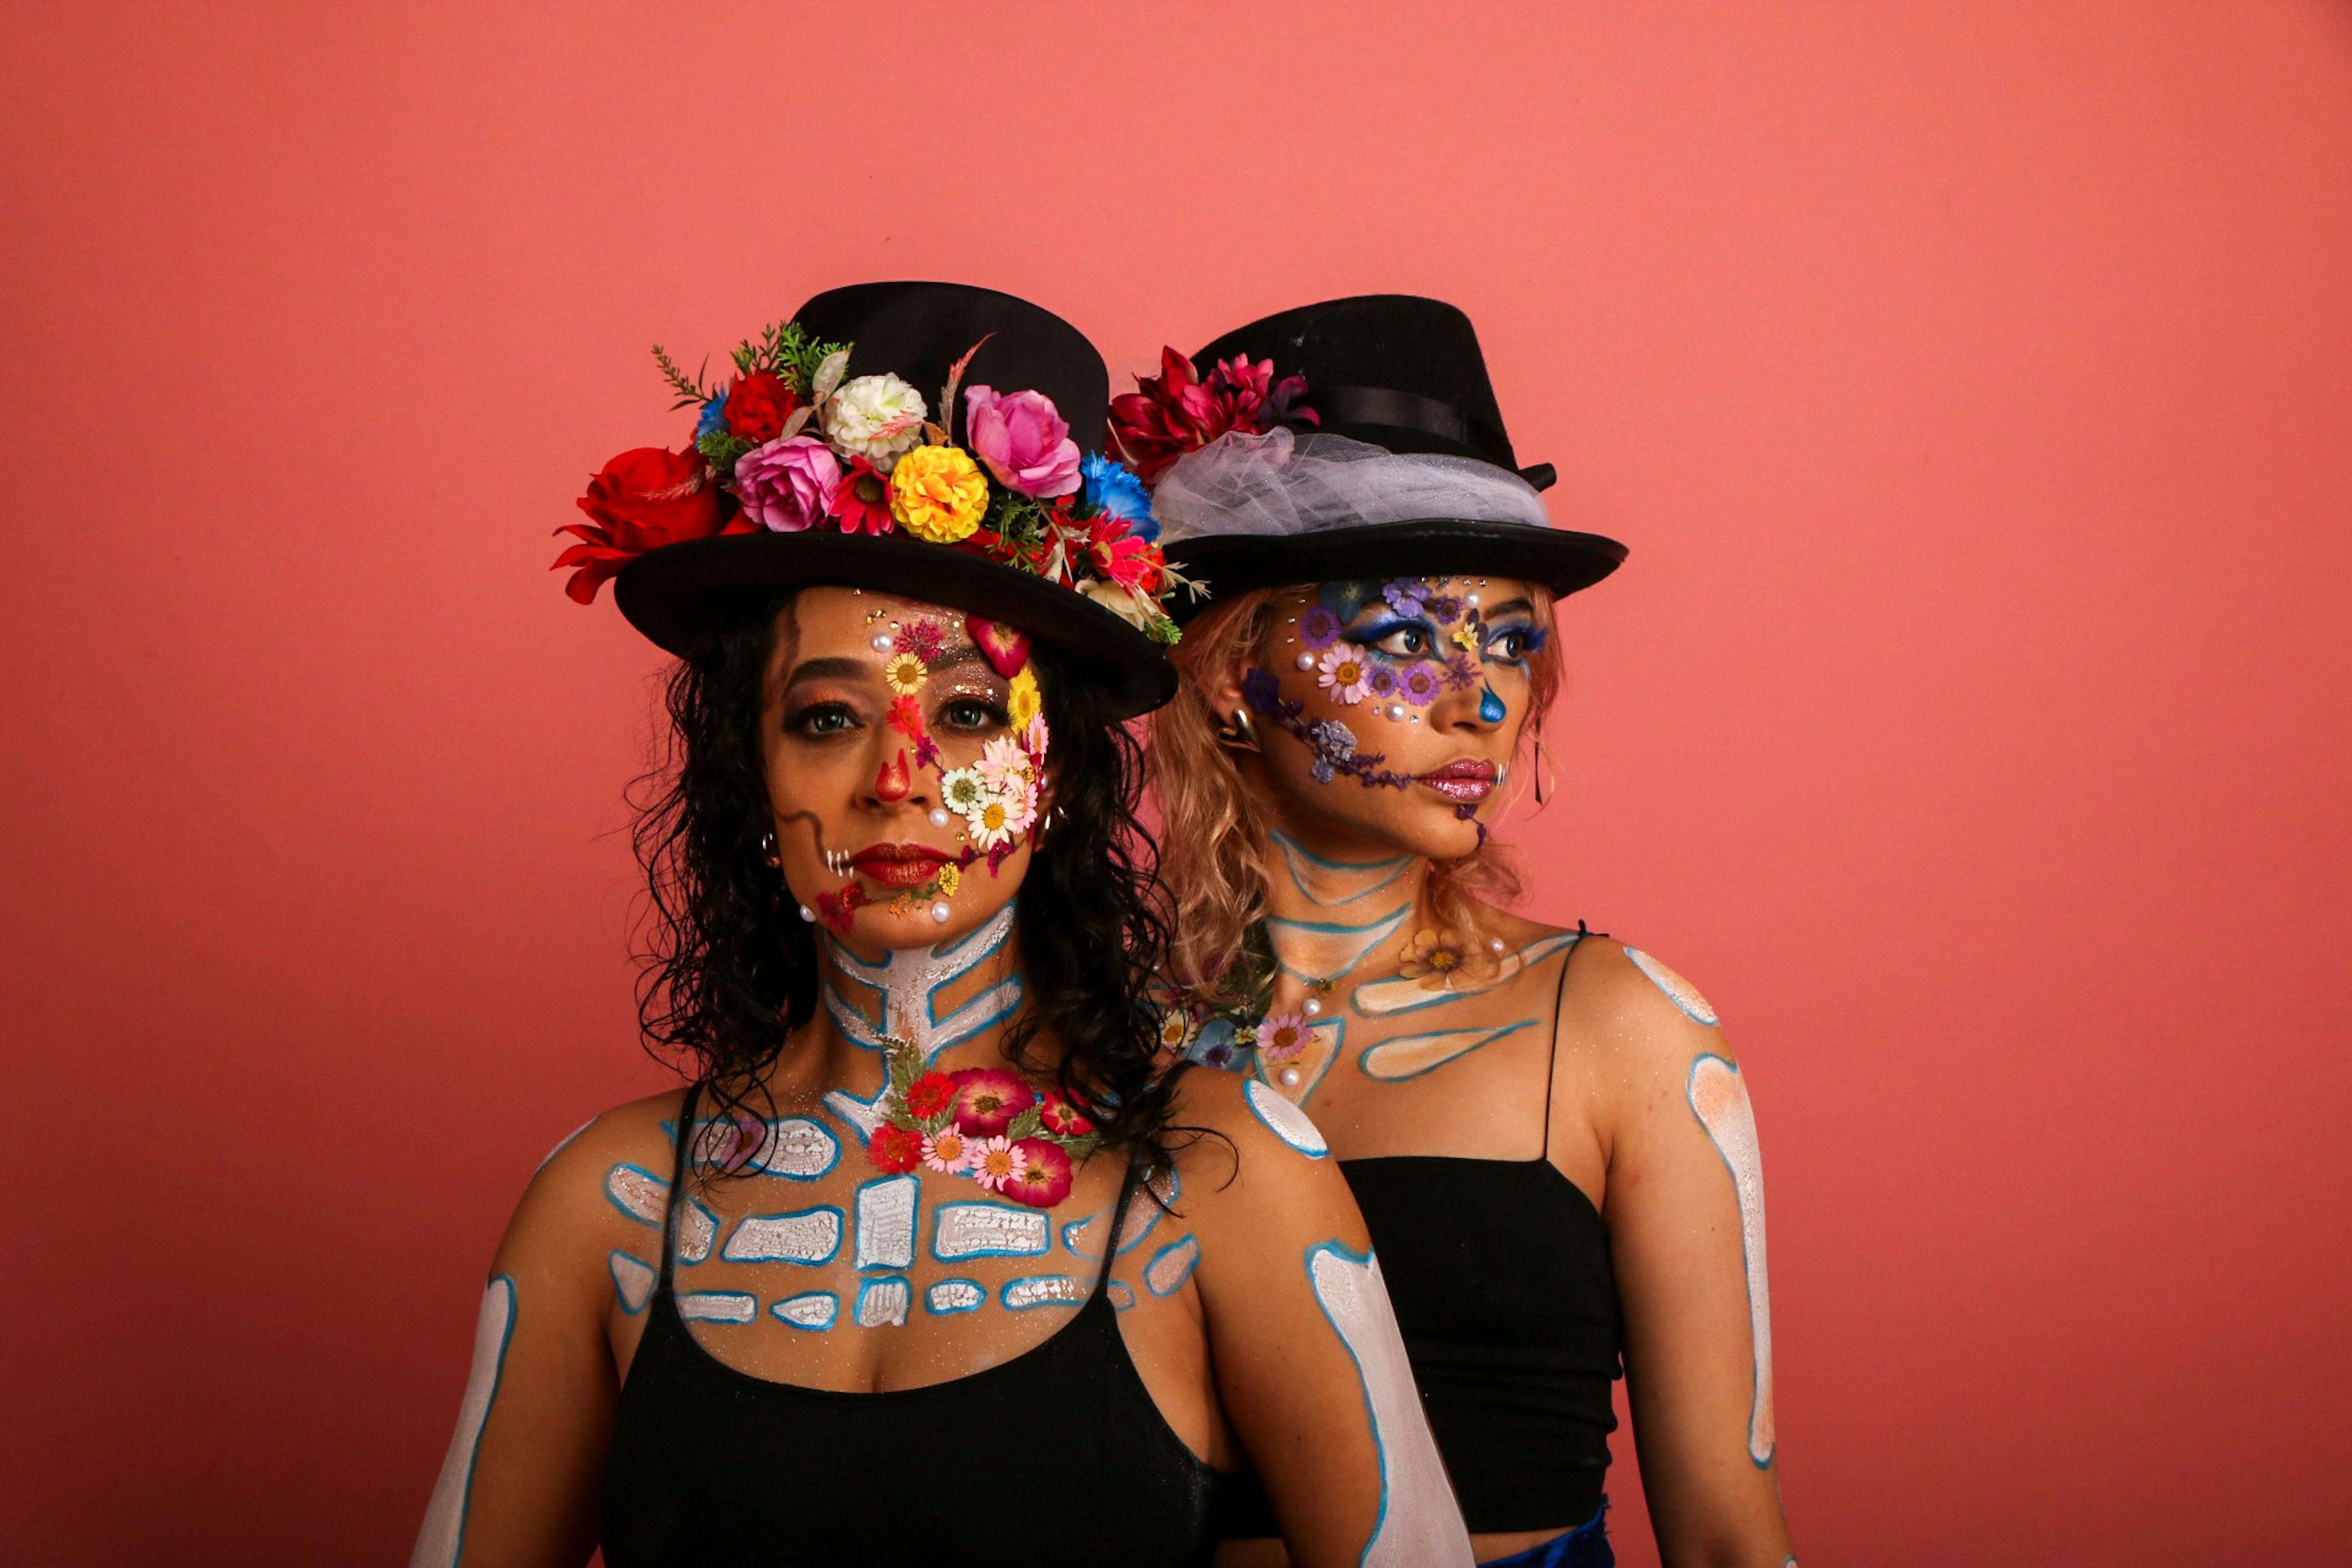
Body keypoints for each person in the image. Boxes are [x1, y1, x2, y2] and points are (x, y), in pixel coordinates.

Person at [410, 283, 1475, 1567]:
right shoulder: (606, 1205)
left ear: (1063, 768)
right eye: (823, 716)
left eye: (968, 709)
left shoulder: (1223, 1181)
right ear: (751, 776)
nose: (896, 774)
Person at [1124, 296, 1798, 1567]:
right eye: (1398, 640)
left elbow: (1725, 1534)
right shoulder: (1086, 1040)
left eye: (1507, 643)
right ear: (1226, 673)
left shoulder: (1614, 1026)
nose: (1479, 698)